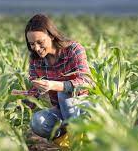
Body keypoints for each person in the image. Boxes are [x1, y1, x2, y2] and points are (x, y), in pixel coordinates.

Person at [12, 14, 93, 147]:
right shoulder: (36, 60)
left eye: (40, 42)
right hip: (62, 111)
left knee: (63, 92)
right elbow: (35, 92)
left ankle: (77, 138)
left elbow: (87, 81)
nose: (36, 48)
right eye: (32, 44)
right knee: (38, 122)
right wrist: (18, 99)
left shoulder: (73, 50)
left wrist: (55, 85)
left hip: (84, 107)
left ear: (51, 35)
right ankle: (69, 143)